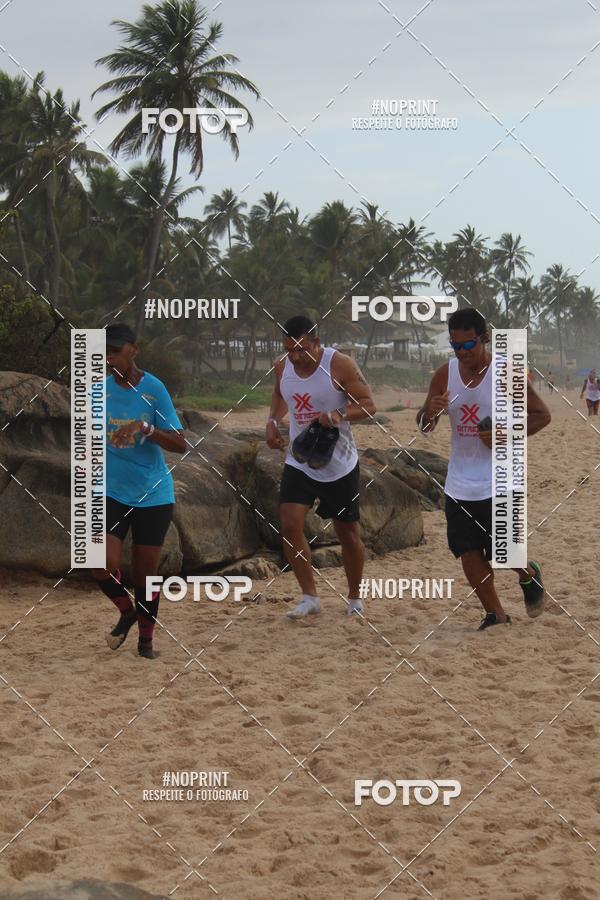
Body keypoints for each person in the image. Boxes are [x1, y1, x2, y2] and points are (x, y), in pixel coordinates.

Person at [416, 308, 551, 630]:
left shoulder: (506, 372)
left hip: (501, 477)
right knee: (468, 551)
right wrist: (429, 414)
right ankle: (496, 615)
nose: (462, 353)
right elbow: (424, 426)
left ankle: (528, 574)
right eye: (455, 346)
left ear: (484, 338)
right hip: (460, 480)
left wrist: (507, 433)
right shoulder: (444, 375)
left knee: (505, 552)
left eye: (468, 345)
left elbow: (541, 415)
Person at [266, 316, 375, 619]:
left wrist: (339, 413)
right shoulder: (282, 365)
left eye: (302, 349)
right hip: (300, 459)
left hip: (339, 463)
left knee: (348, 534)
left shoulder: (340, 364)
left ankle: (354, 597)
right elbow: (279, 394)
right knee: (289, 524)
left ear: (317, 342)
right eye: (289, 349)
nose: (296, 356)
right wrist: (273, 422)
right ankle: (309, 596)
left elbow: (368, 403)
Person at [91, 323, 186, 659]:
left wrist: (146, 428)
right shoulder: (97, 391)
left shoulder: (154, 389)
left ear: (134, 349)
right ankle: (127, 612)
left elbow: (180, 443)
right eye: (106, 352)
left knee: (147, 574)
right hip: (112, 492)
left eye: (116, 351)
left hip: (153, 494)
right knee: (99, 562)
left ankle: (146, 642)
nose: (110, 357)